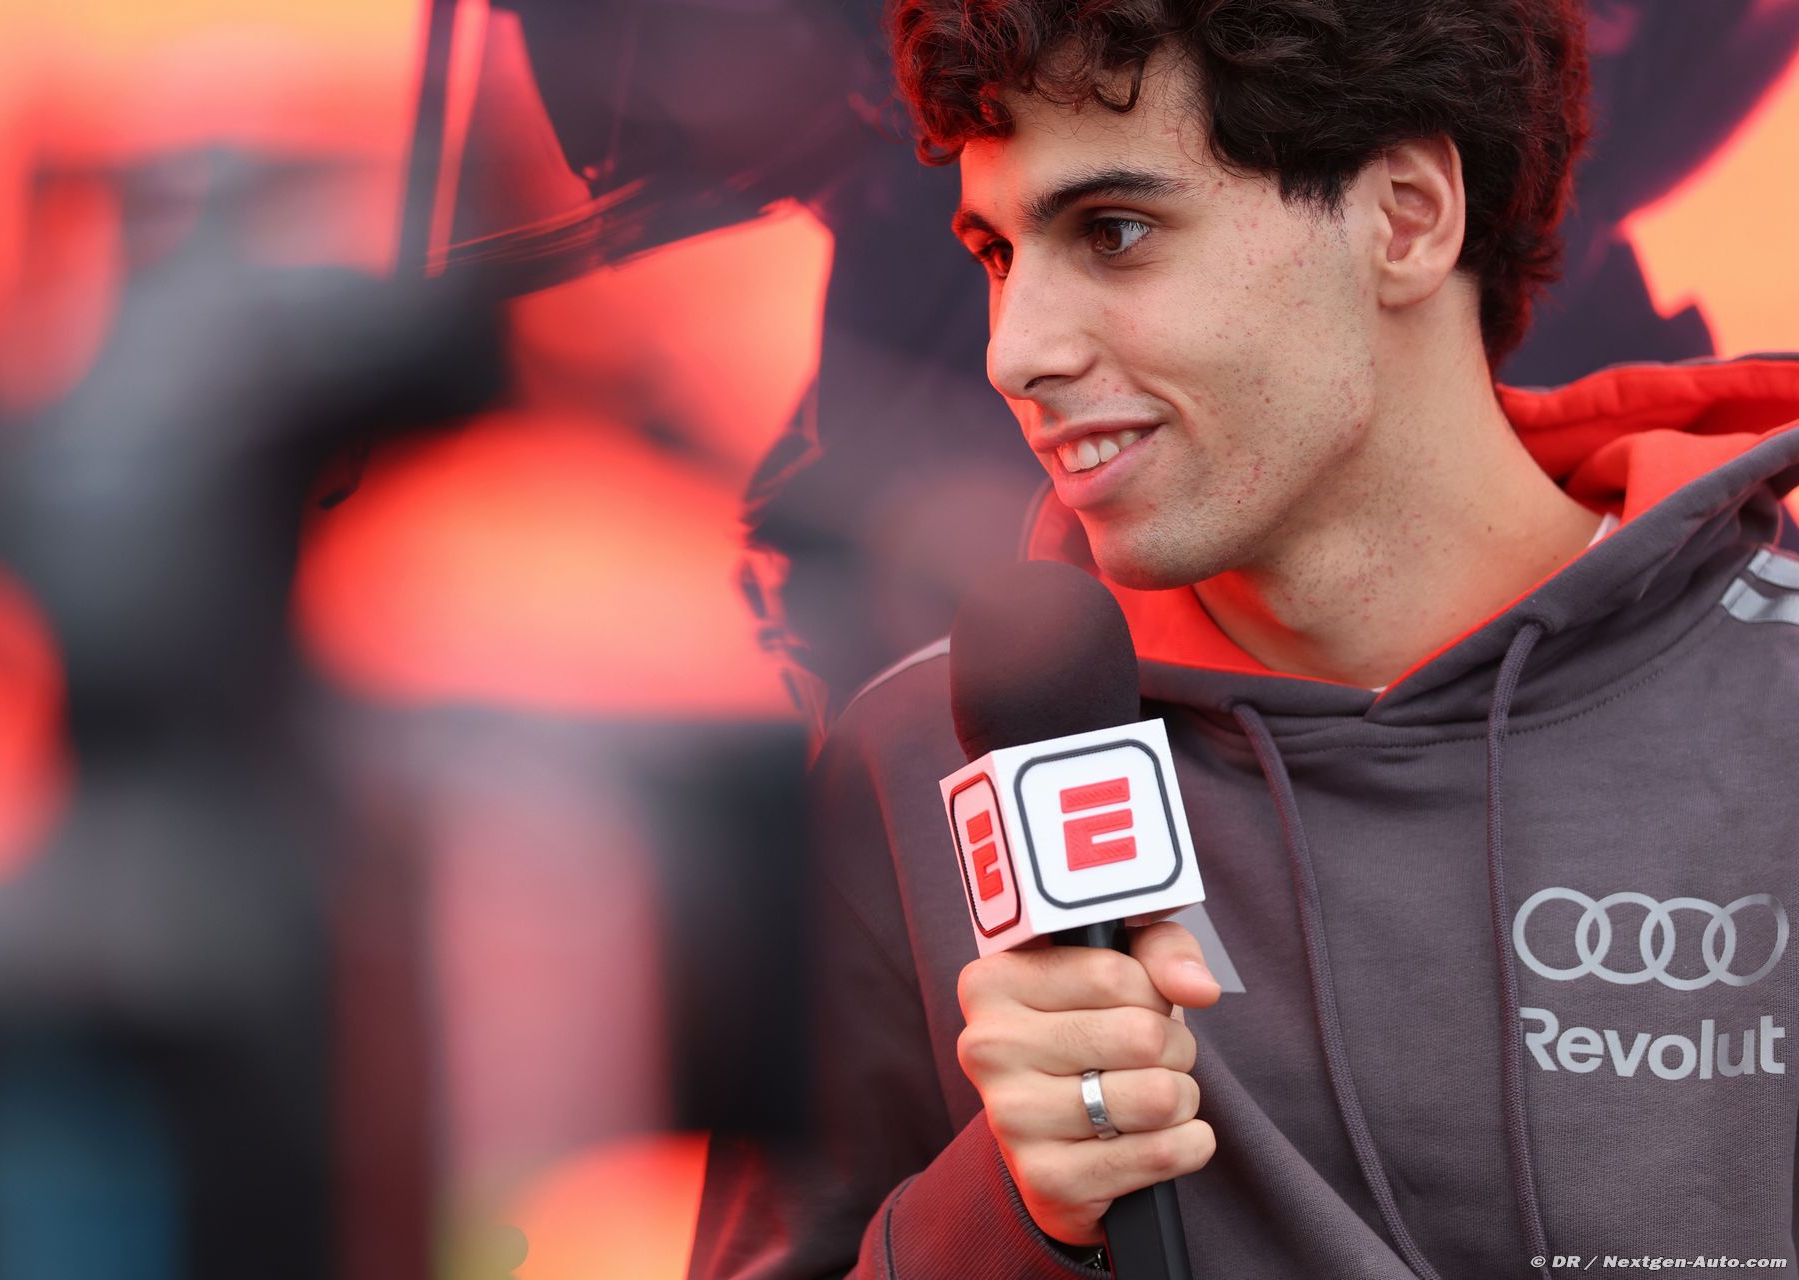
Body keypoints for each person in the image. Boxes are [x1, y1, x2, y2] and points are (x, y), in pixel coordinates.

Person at [688, 0, 1799, 1275]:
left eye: (1114, 231)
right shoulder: (916, 761)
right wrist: (1014, 1212)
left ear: (1406, 217)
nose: (1015, 351)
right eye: (996, 253)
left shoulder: (1776, 701)